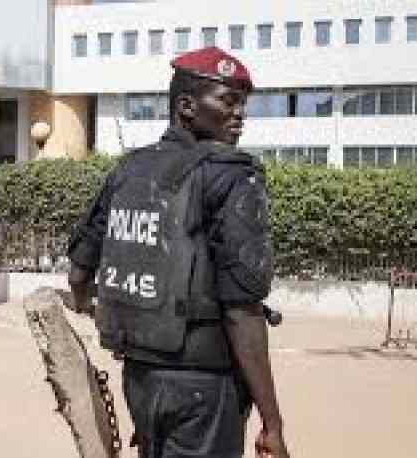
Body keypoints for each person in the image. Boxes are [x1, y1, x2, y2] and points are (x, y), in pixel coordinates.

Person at [67, 47, 290, 458]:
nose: (240, 114)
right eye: (227, 101)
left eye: (243, 103)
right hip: (204, 393)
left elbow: (79, 274)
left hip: (139, 382)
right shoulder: (232, 175)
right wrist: (272, 423)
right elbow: (242, 310)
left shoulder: (128, 170)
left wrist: (126, 316)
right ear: (186, 105)